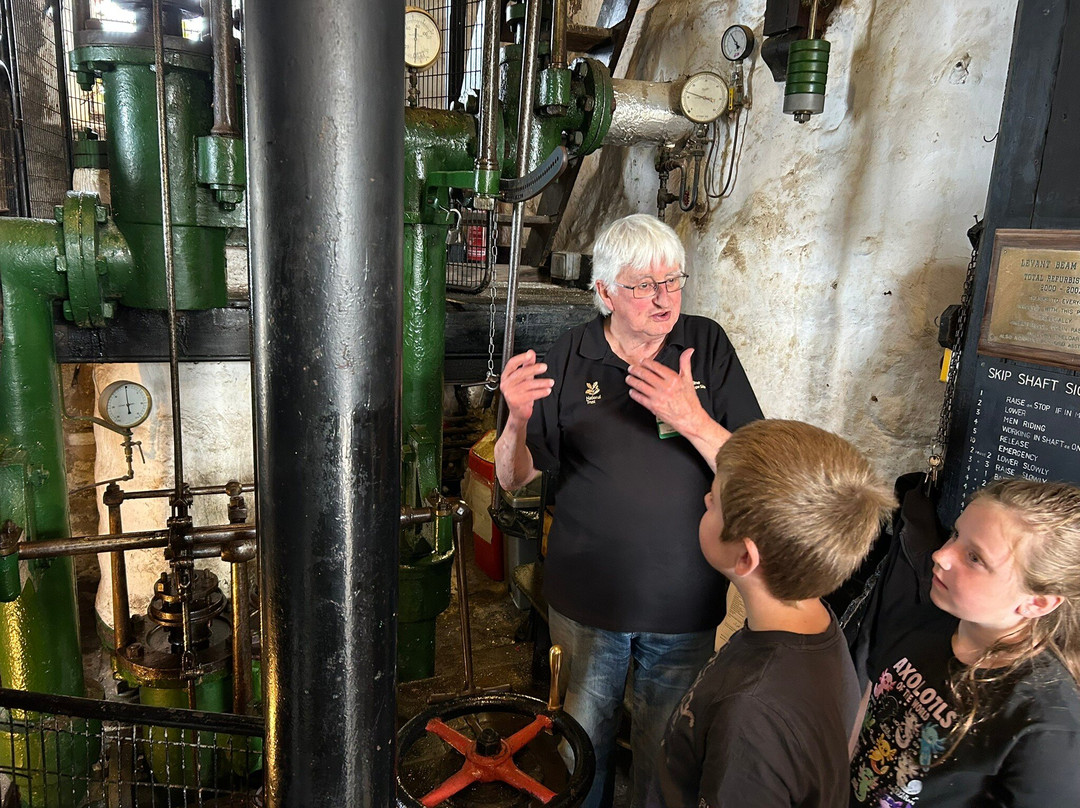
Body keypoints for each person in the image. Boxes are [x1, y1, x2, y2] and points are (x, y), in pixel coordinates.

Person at [494, 213, 762, 807]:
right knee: (581, 743)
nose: (663, 297)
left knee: (669, 750)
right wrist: (513, 419)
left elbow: (755, 465)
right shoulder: (571, 354)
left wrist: (689, 416)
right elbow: (515, 478)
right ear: (605, 292)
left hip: (684, 601)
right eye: (643, 285)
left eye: (673, 280)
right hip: (588, 602)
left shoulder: (706, 345)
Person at [650, 419, 895, 808]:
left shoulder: (753, 717)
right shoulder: (814, 622)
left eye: (714, 499)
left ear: (745, 556)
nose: (706, 500)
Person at [849, 478, 1080, 807]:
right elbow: (868, 708)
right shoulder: (923, 617)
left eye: (975, 558)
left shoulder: (1048, 726)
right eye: (956, 534)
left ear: (1037, 603)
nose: (941, 554)